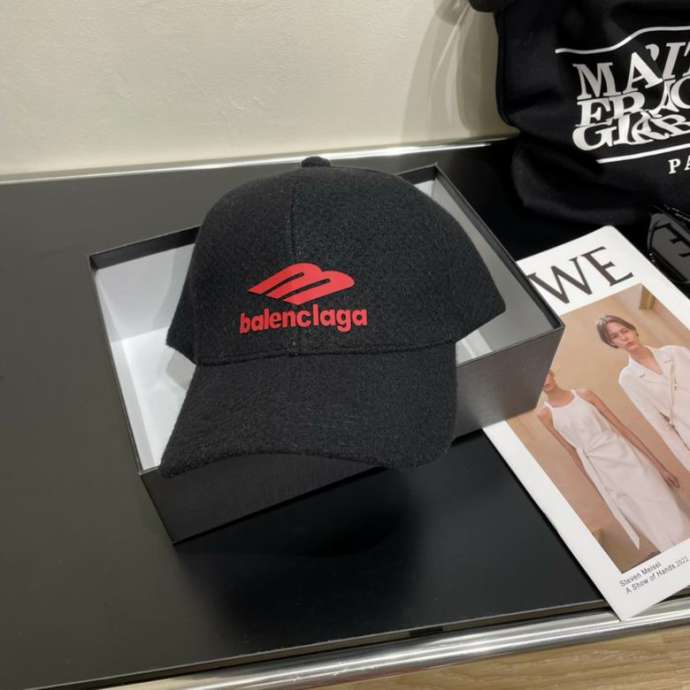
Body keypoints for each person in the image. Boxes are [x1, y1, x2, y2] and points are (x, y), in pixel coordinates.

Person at [537, 370, 690, 553]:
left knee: (665, 502)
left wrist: (660, 467)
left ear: (552, 373)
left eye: (544, 374)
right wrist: (600, 492)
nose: (543, 381)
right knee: (645, 516)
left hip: (626, 456)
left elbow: (622, 429)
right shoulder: (545, 415)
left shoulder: (584, 394)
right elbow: (572, 453)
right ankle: (675, 559)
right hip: (603, 471)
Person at [596, 315, 690, 471]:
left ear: (633, 330)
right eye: (615, 336)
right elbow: (660, 425)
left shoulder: (675, 352)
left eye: (624, 331)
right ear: (612, 343)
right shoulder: (628, 378)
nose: (624, 338)